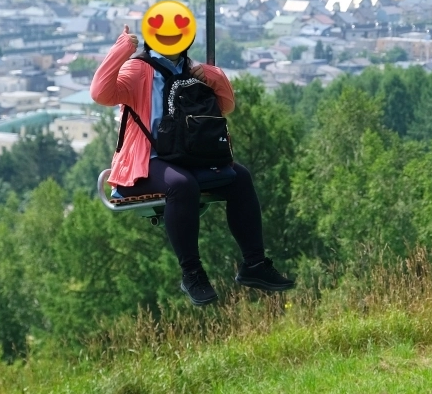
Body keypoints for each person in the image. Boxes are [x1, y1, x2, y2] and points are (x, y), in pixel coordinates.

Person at [91, 24, 295, 306]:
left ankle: (254, 264)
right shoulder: (139, 70)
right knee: (181, 185)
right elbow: (101, 94)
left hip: (187, 155)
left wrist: (213, 75)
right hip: (147, 162)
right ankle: (192, 274)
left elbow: (225, 106)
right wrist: (124, 48)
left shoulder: (192, 70)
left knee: (240, 178)